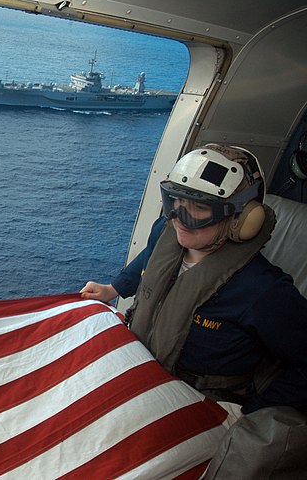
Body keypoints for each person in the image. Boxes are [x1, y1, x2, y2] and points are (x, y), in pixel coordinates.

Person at [81, 143, 307, 477]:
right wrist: (114, 288)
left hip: (204, 400)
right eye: (175, 201)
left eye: (199, 207)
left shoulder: (263, 290)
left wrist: (256, 411)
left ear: (240, 218)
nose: (179, 217)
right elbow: (150, 261)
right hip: (143, 371)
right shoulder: (167, 234)